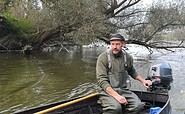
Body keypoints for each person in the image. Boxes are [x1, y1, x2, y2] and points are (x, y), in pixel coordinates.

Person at [96, 33, 152, 114]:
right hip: (106, 92)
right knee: (115, 108)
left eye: (118, 44)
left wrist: (143, 81)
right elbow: (102, 81)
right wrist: (117, 96)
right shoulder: (103, 58)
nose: (115, 47)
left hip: (123, 90)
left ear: (123, 44)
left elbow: (132, 71)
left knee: (138, 106)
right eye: (112, 44)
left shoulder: (128, 57)